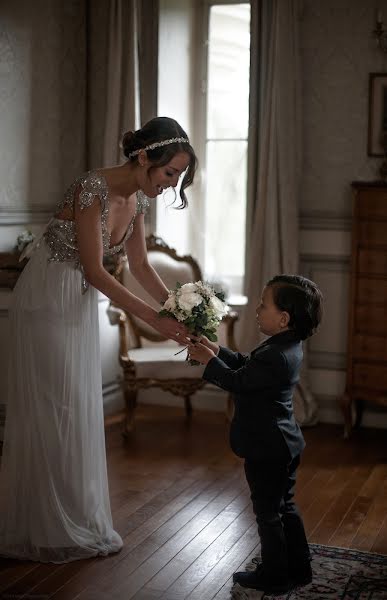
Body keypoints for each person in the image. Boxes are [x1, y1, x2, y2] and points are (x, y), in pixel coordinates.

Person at [0, 116, 197, 563]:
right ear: (145, 157)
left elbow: (142, 268)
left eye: (178, 177)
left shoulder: (139, 202)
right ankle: (44, 524)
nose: (171, 184)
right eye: (169, 173)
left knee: (74, 403)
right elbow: (94, 269)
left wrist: (182, 312)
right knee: (55, 404)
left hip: (80, 302)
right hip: (50, 295)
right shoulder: (92, 187)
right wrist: (155, 319)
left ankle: (76, 517)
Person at [187, 274, 323, 595]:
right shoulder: (285, 345)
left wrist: (208, 361)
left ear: (284, 318)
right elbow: (247, 367)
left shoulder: (275, 354)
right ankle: (299, 567)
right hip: (284, 443)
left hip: (267, 448)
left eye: (263, 305)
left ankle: (274, 575)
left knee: (267, 514)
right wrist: (217, 350)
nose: (258, 310)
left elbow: (239, 383)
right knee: (284, 506)